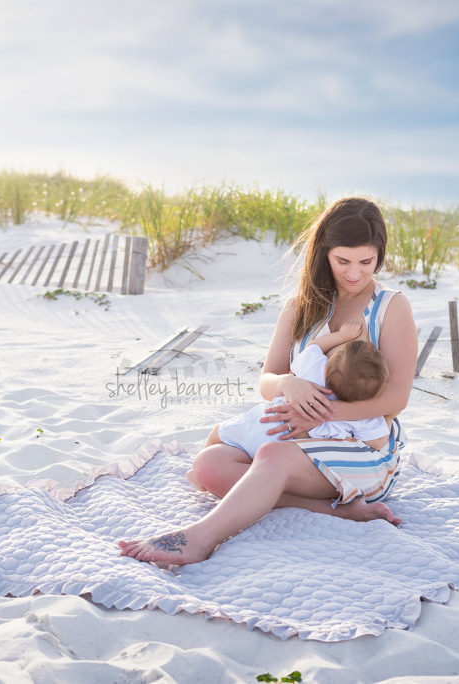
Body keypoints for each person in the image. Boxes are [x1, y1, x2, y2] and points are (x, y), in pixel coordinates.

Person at [119, 197, 418, 566]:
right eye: (343, 261)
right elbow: (268, 379)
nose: (354, 273)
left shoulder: (391, 307)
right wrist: (287, 385)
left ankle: (201, 538)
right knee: (210, 464)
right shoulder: (301, 307)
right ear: (324, 253)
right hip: (293, 442)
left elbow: (396, 398)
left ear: (379, 255)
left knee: (272, 456)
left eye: (366, 262)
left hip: (362, 449)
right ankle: (337, 510)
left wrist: (325, 414)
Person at [204, 320, 391, 461]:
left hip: (263, 423)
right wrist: (388, 419)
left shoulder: (315, 370)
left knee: (218, 434)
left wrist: (341, 336)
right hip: (284, 447)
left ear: (329, 364)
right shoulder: (359, 417)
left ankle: (201, 465)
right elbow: (378, 441)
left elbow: (314, 346)